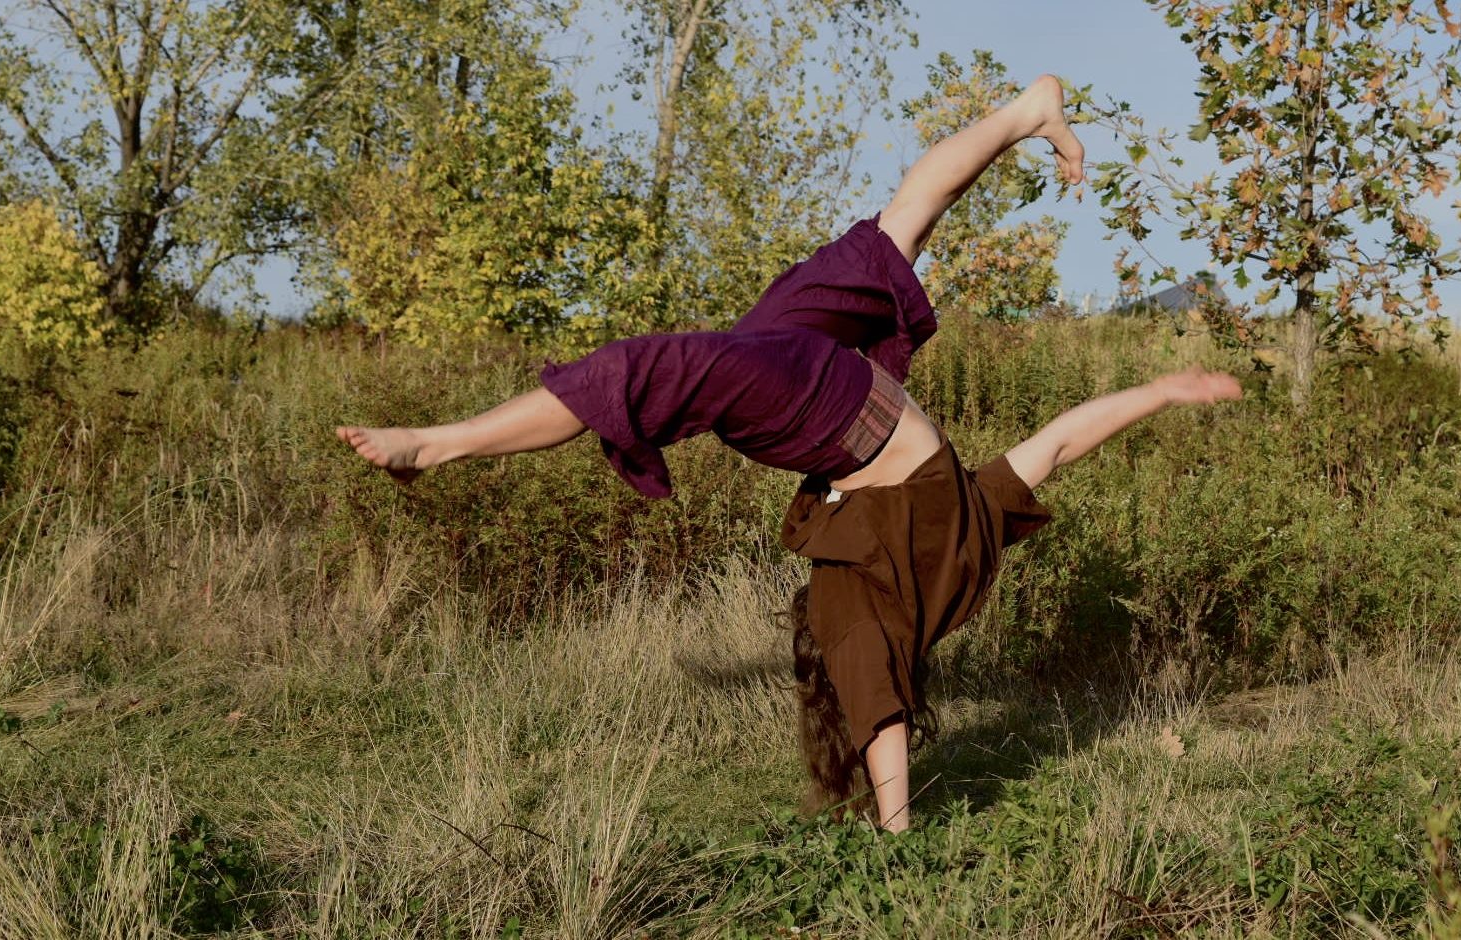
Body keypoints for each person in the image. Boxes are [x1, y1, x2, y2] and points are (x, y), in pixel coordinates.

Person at [336, 75, 1243, 831]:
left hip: (857, 398)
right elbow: (879, 706)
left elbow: (1058, 445)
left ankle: (1024, 112)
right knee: (649, 372)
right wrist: (898, 833)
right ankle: (440, 445)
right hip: (835, 412)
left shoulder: (974, 539)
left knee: (893, 236)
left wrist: (1163, 392)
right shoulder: (856, 604)